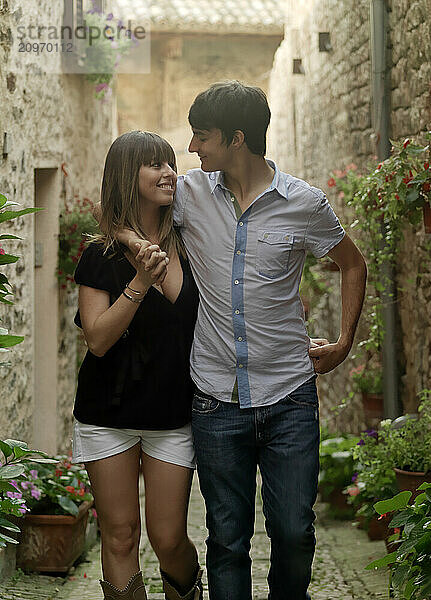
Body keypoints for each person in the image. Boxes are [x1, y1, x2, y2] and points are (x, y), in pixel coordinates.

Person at [118, 81, 367, 600]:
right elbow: (119, 210)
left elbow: (352, 263)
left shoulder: (304, 204)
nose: (190, 149)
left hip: (288, 397)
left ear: (235, 139)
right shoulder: (186, 195)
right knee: (227, 541)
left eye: (200, 137)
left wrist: (344, 342)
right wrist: (127, 242)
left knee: (294, 535)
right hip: (214, 399)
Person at [72, 131, 203, 600]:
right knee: (121, 533)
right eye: (154, 165)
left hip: (173, 411)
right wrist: (140, 283)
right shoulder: (99, 255)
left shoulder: (191, 243)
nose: (169, 172)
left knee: (169, 540)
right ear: (129, 176)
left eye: (170, 163)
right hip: (108, 414)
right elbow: (99, 339)